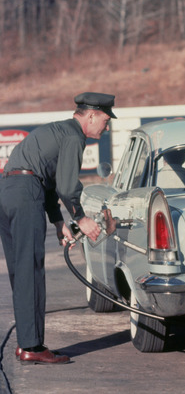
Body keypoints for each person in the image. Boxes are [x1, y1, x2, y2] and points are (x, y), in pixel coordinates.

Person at [0, 92, 116, 365]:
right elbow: (66, 186)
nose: (107, 127)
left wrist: (58, 222)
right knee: (31, 271)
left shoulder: (57, 130)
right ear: (91, 116)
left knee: (21, 272)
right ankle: (32, 346)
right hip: (26, 193)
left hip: (7, 191)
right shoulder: (75, 137)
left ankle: (25, 343)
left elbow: (48, 181)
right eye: (106, 120)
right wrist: (81, 218)